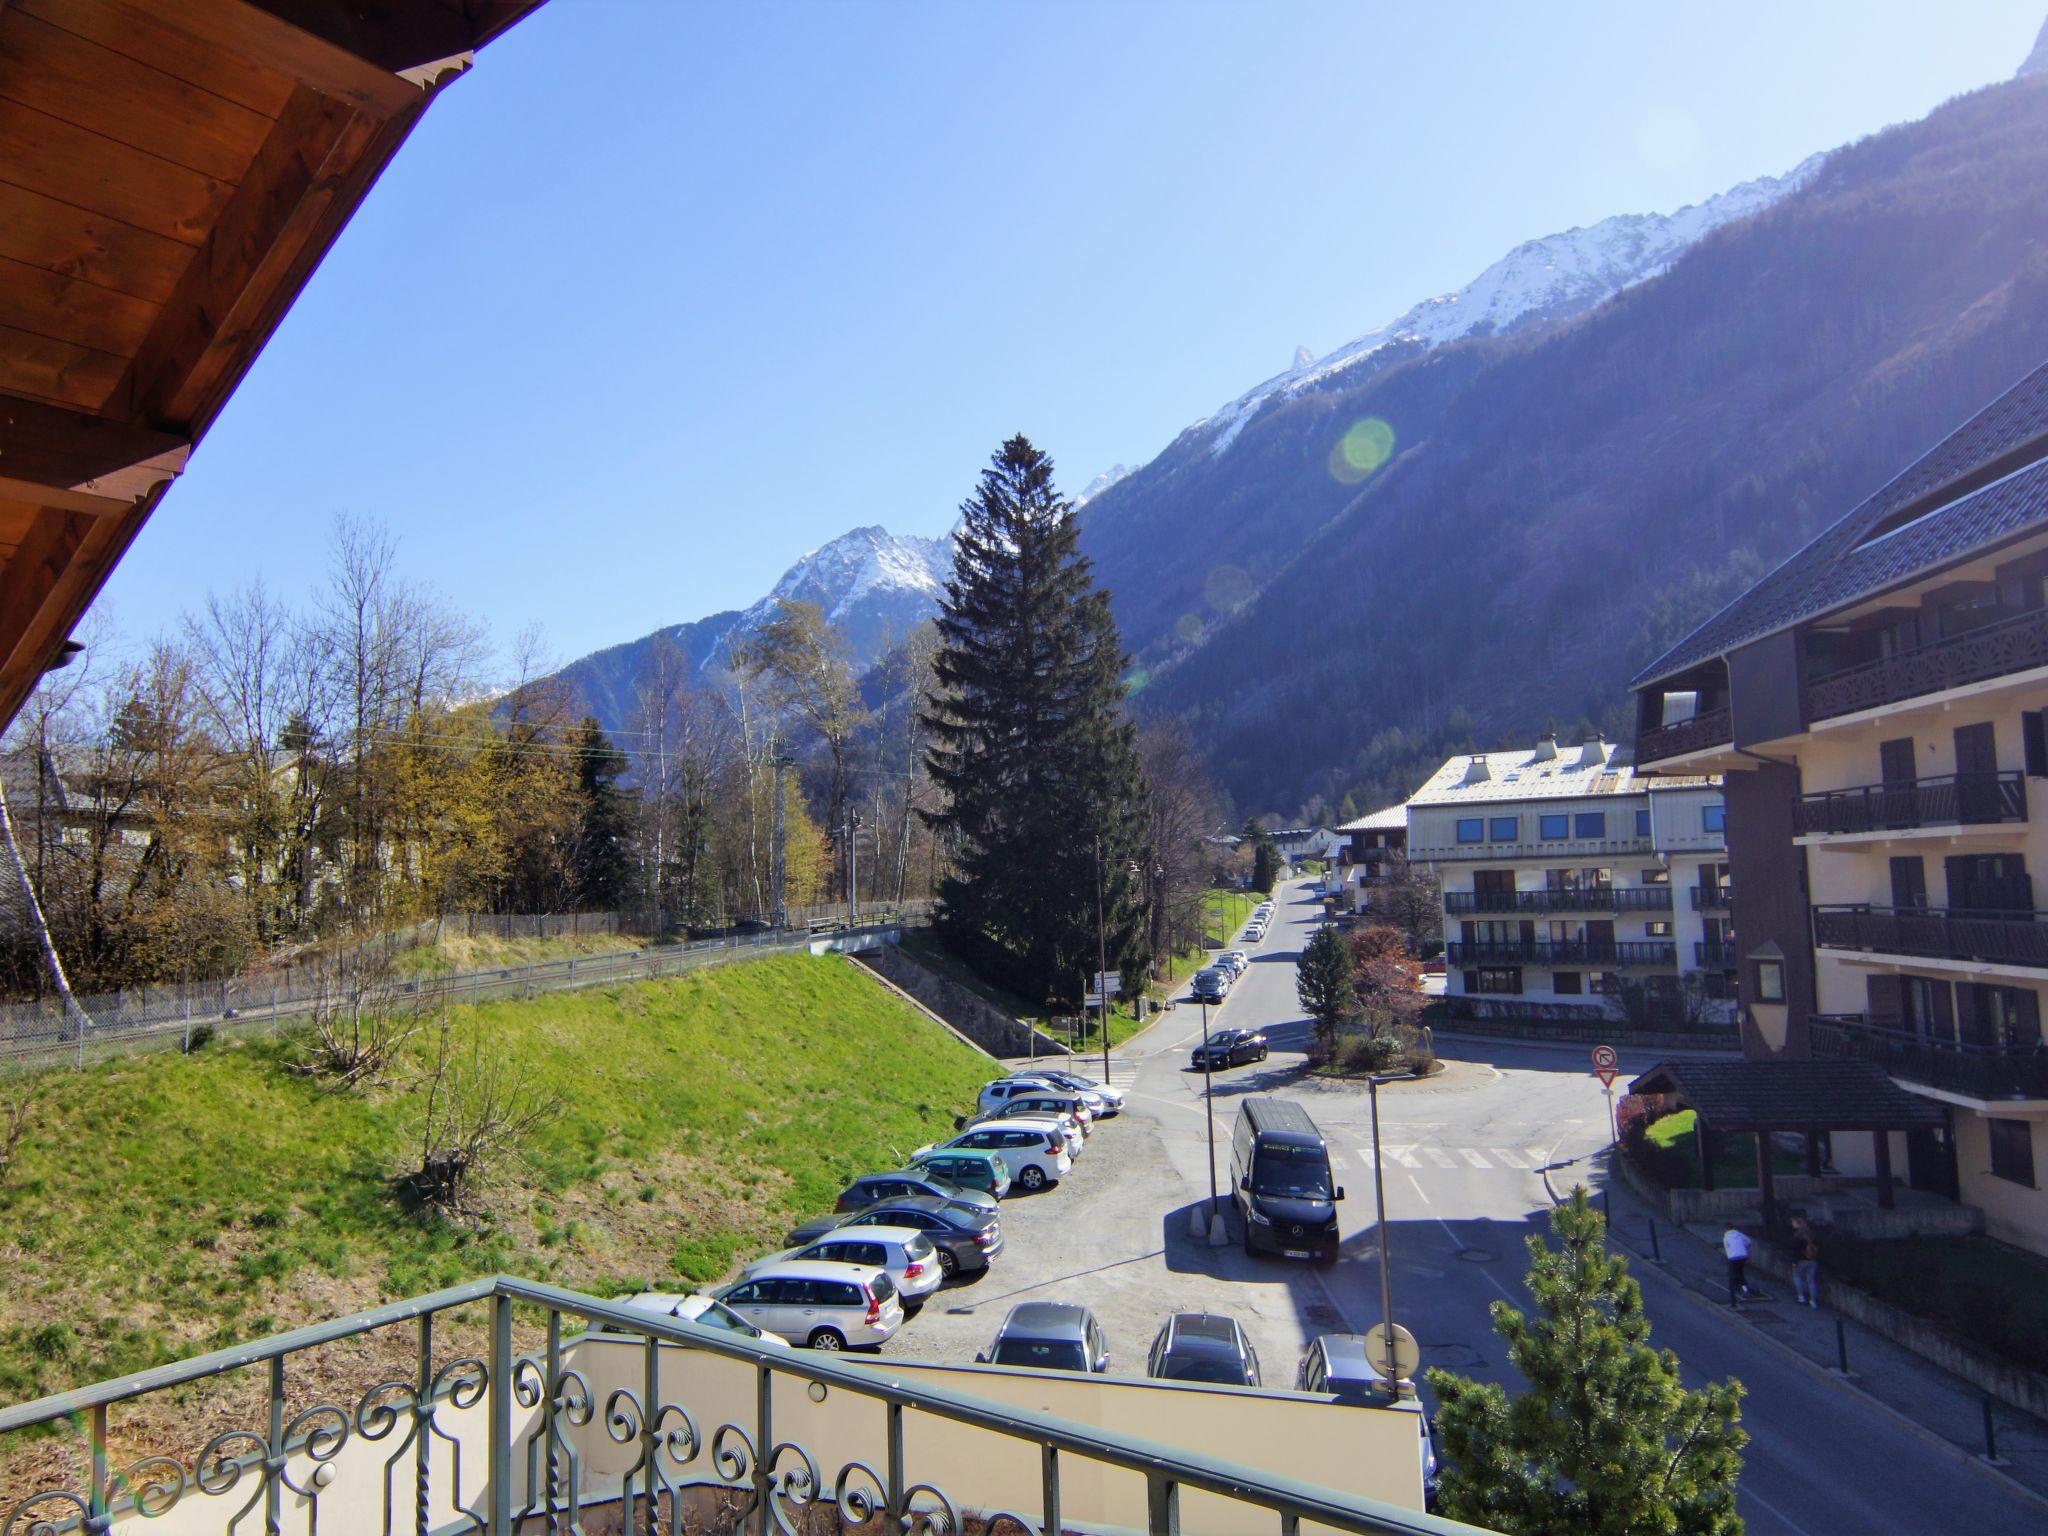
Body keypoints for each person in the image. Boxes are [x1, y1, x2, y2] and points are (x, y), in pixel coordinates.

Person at [1792, 1217, 1821, 1308]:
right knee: (1811, 1281)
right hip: (1812, 1260)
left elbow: (1796, 1250)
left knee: (1797, 1277)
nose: (1792, 1224)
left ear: (1798, 1224)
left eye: (1794, 1222)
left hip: (1801, 1260)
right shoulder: (1812, 1235)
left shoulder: (1798, 1235)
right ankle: (1813, 1301)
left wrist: (1794, 1261)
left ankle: (1801, 1297)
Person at [1722, 1221, 1753, 1302]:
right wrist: (1743, 1247)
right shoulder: (1739, 1234)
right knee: (1739, 1271)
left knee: (1738, 1273)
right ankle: (1736, 1285)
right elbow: (1749, 1241)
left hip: (1733, 1257)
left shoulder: (1726, 1237)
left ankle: (1745, 1289)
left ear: (1725, 1229)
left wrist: (1729, 1259)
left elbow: (1727, 1249)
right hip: (1743, 1256)